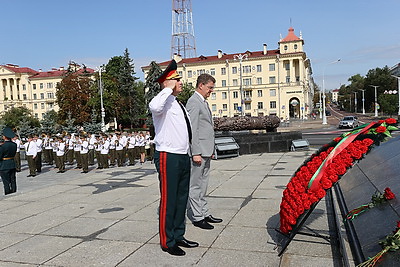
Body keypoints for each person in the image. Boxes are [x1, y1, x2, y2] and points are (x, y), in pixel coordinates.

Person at [149, 59, 198, 256]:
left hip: (182, 155)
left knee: (181, 198)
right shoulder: (162, 101)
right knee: (169, 200)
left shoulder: (178, 103)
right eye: (177, 80)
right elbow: (154, 106)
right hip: (168, 156)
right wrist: (167, 88)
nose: (181, 83)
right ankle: (167, 241)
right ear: (168, 83)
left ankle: (178, 235)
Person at [185, 73, 223, 230]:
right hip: (198, 152)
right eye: (210, 88)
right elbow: (192, 129)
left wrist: (211, 149)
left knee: (204, 184)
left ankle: (204, 212)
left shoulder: (203, 102)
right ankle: (197, 216)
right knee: (195, 185)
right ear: (201, 85)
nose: (211, 91)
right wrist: (196, 152)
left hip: (206, 150)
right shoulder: (193, 102)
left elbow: (207, 128)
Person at [0, 127, 17, 195]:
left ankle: (7, 192)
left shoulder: (3, 146)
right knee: (13, 179)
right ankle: (14, 190)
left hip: (4, 164)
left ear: (5, 137)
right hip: (12, 163)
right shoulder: (14, 145)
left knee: (6, 180)